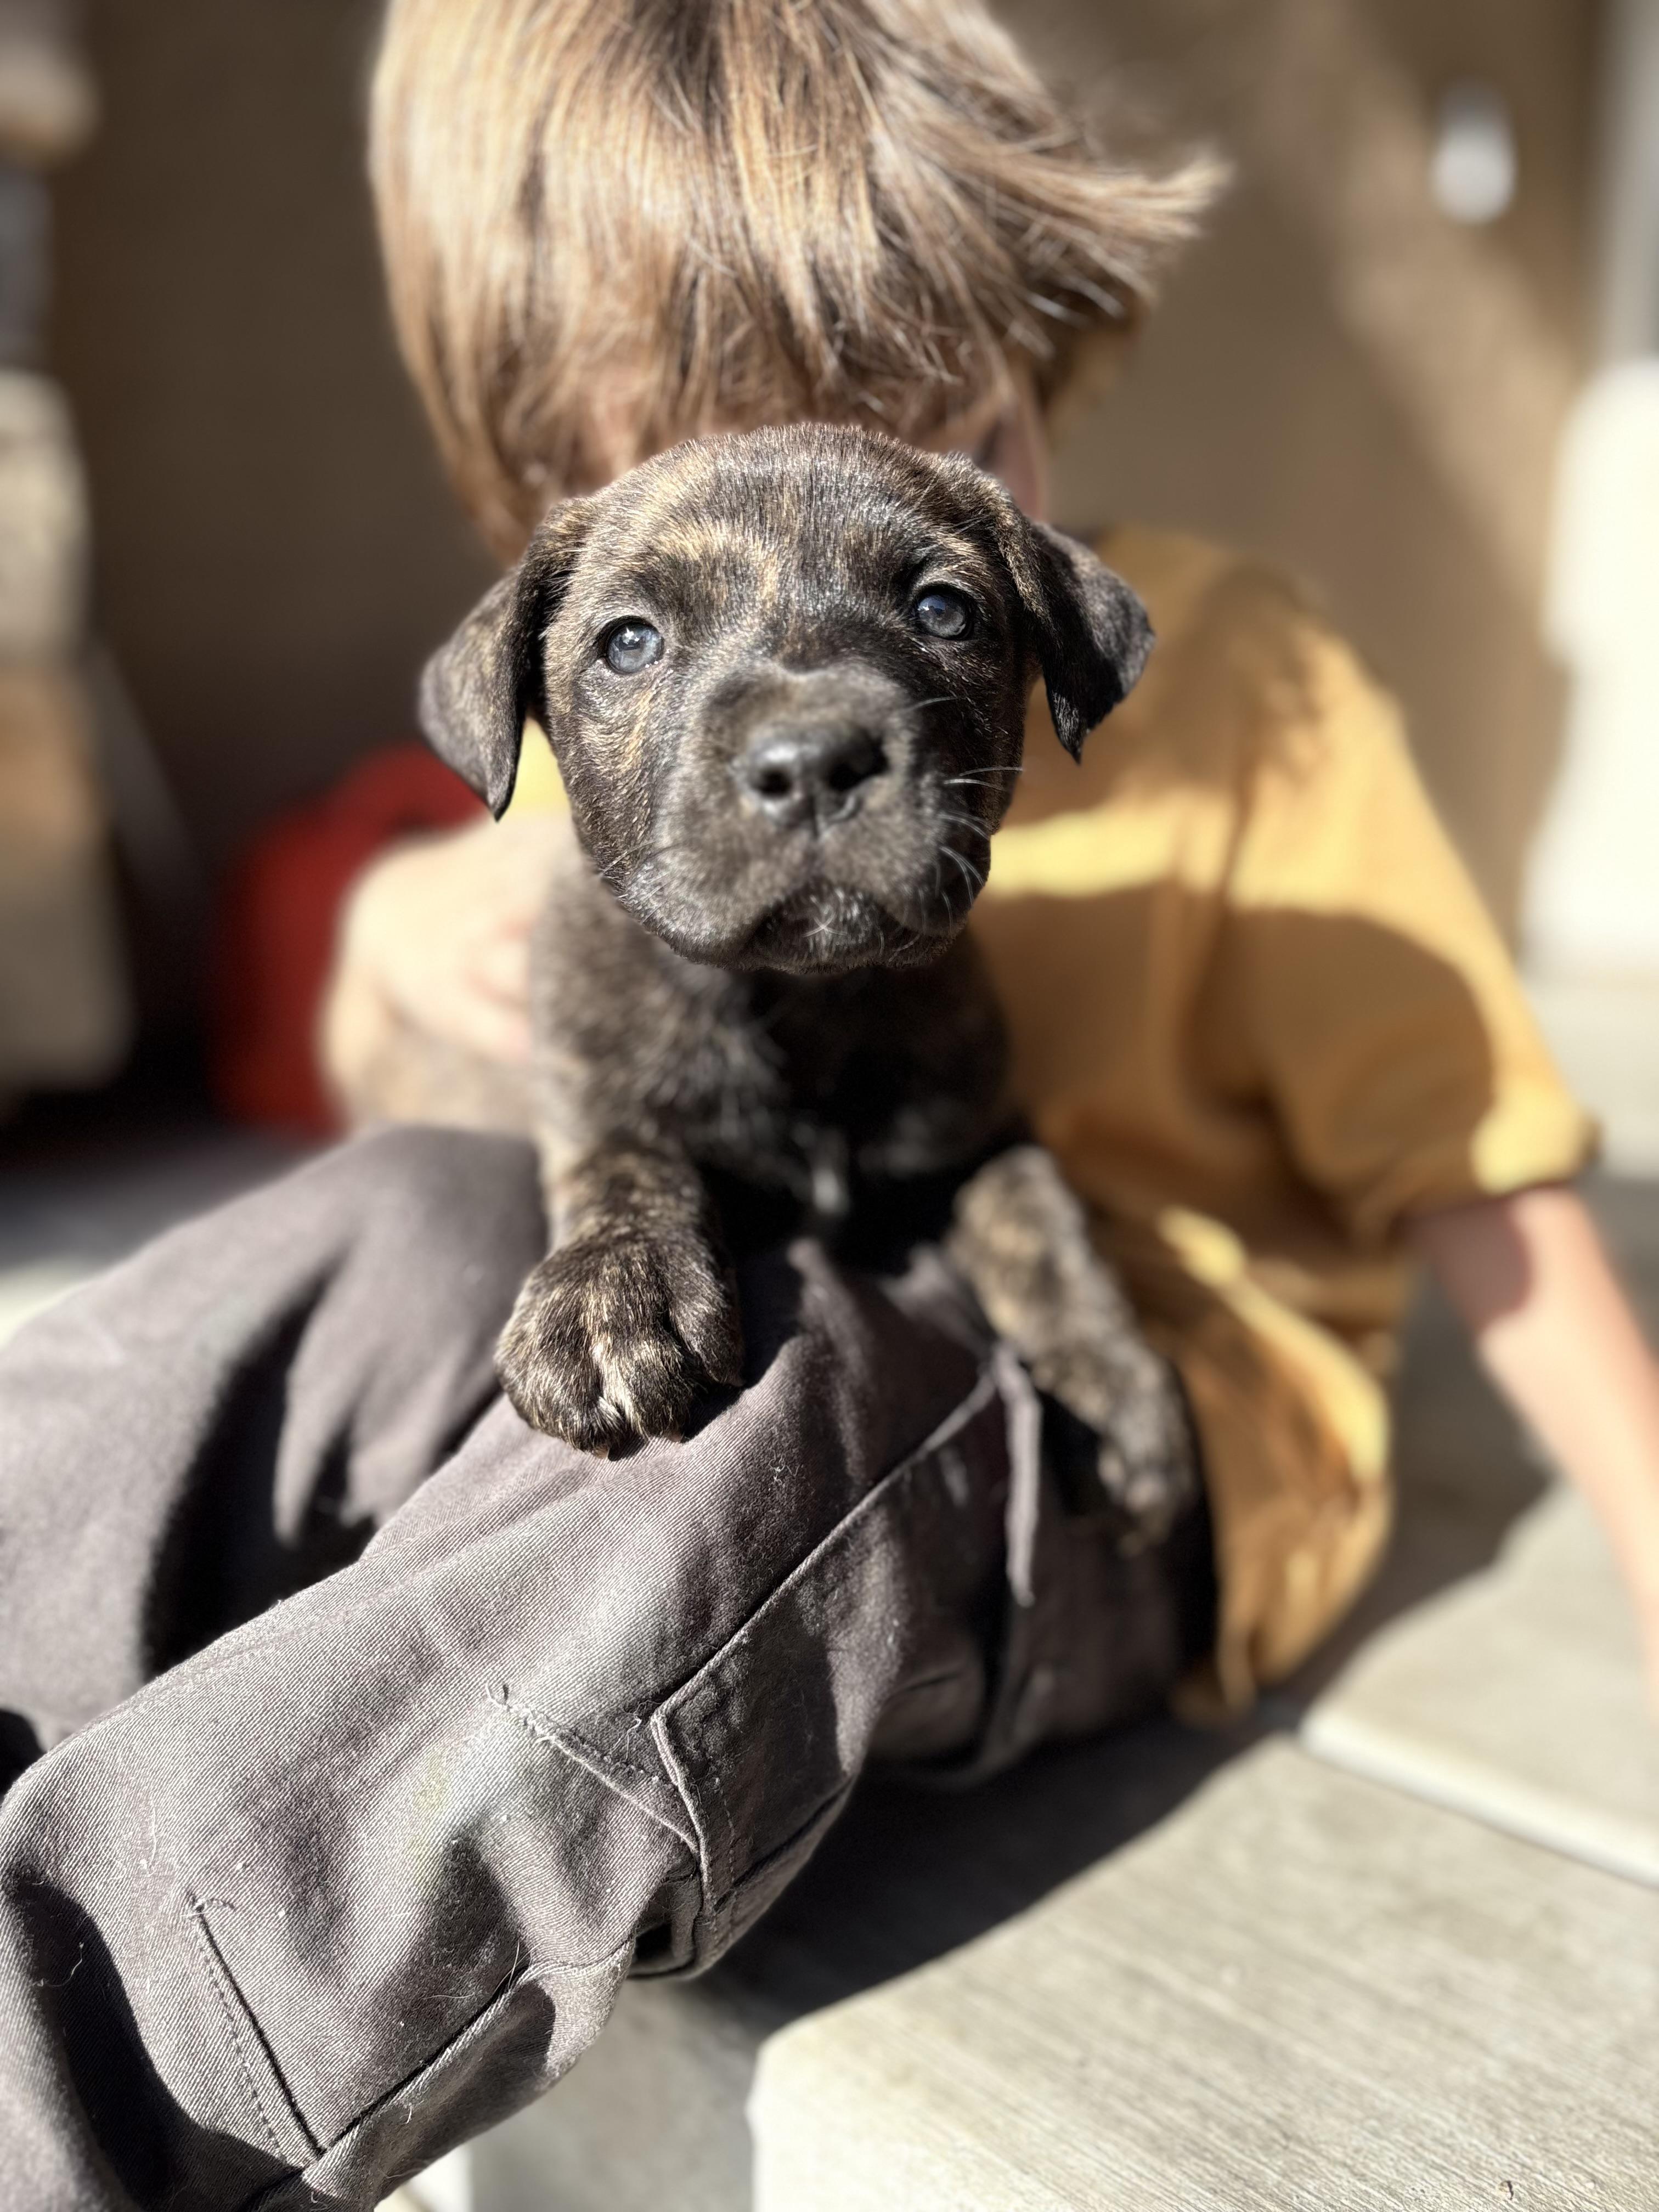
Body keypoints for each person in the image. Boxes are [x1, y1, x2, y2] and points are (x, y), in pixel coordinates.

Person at [1, 2, 1655, 2204]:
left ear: (1033, 371)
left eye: (923, 522)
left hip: (1114, 1424)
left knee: (750, 1424)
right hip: (744, 1258)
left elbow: (1490, 1169)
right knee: (404, 1218)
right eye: (691, 546)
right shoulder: (592, 756)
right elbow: (468, 1109)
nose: (806, 696)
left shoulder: (1246, 688)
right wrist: (402, 932)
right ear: (561, 507)